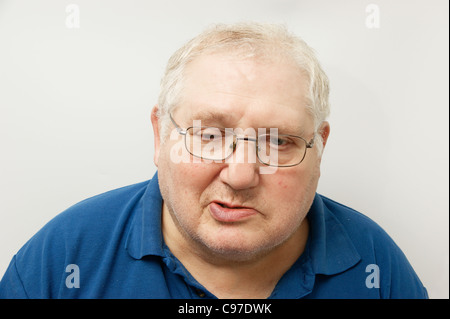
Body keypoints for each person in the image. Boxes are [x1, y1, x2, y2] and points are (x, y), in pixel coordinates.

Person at [0, 22, 427, 299]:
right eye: (209, 136)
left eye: (277, 141)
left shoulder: (377, 267)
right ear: (159, 135)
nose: (240, 175)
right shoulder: (60, 260)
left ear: (319, 148)